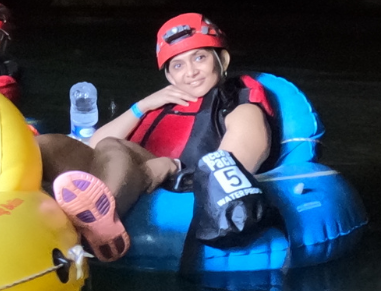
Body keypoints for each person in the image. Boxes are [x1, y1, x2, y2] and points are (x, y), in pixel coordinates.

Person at [38, 13, 279, 261]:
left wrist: (167, 168)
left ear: (222, 59)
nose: (191, 72)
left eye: (199, 58)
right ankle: (16, 209)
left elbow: (230, 174)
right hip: (124, 172)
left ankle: (93, 229)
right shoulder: (164, 103)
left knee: (114, 146)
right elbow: (92, 144)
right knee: (47, 145)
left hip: (174, 183)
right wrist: (141, 106)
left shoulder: (240, 108)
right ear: (169, 76)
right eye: (178, 65)